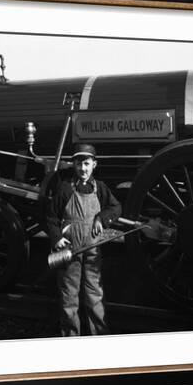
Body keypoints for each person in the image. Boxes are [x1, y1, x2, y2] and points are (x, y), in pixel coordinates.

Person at [46, 143, 121, 336]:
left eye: (87, 163)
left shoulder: (101, 188)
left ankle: (99, 335)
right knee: (69, 296)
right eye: (79, 164)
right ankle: (71, 337)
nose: (83, 169)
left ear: (94, 165)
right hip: (69, 252)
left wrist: (101, 218)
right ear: (74, 165)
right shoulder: (65, 189)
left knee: (94, 294)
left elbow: (116, 208)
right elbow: (51, 218)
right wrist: (57, 239)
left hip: (93, 251)